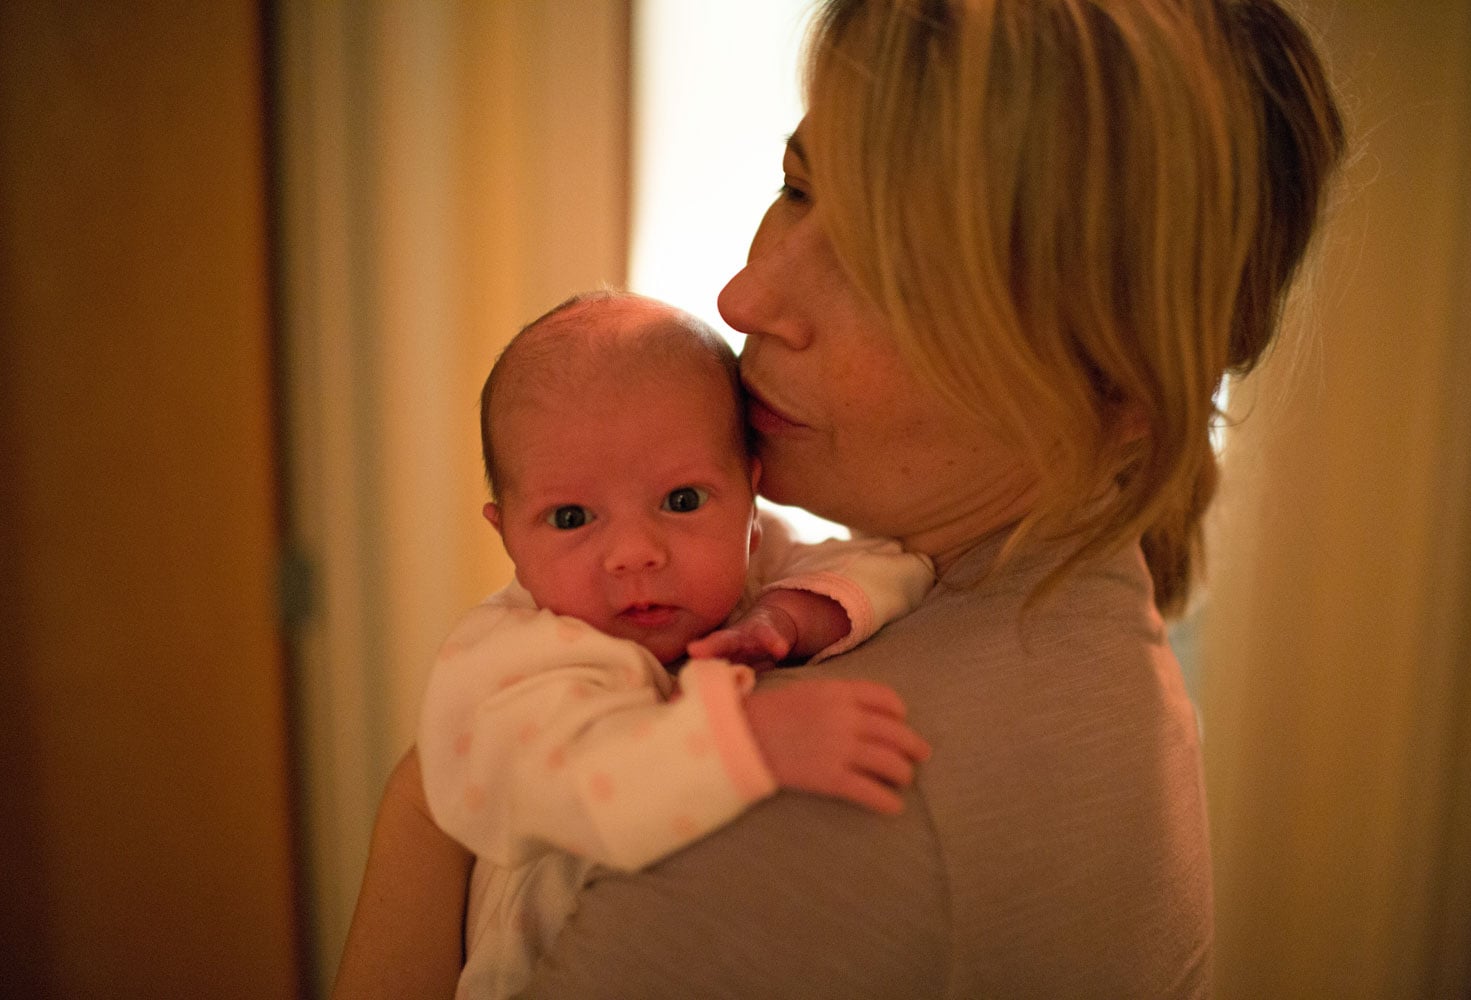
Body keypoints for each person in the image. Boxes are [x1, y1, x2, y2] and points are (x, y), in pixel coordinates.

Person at [333, 0, 1346, 996]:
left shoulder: (826, 796)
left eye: (890, 268)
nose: (744, 297)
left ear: (1119, 389)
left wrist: (433, 792)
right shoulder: (1058, 627)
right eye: (799, 185)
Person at [418, 290, 935, 998]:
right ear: (506, 534)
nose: (635, 553)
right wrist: (750, 740)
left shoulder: (756, 566)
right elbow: (588, 784)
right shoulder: (507, 663)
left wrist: (789, 615)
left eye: (683, 501)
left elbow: (893, 564)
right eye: (571, 517)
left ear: (750, 503)